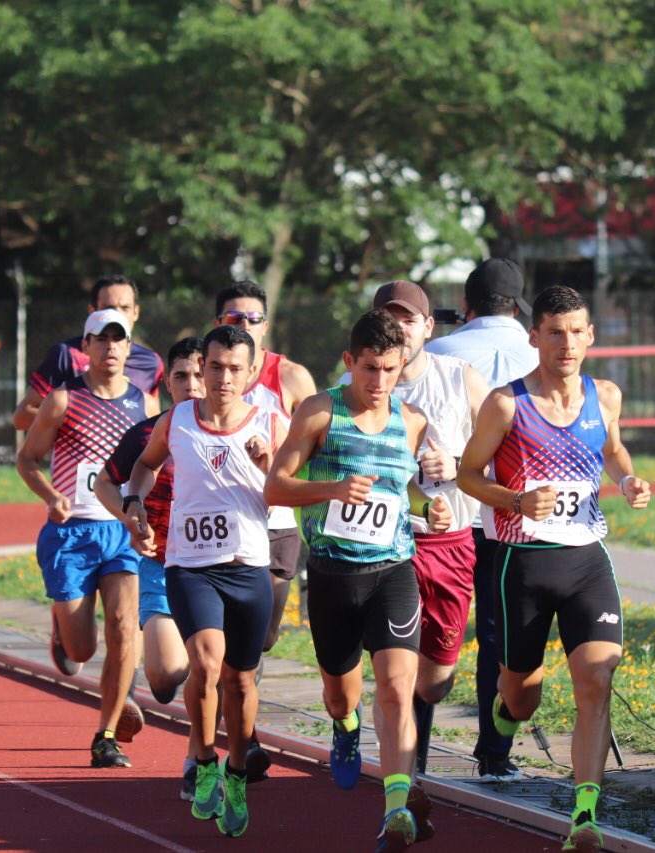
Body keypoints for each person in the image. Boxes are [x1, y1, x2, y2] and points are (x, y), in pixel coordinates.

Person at [458, 285, 651, 852]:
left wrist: (627, 480)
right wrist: (515, 502)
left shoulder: (605, 395)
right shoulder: (506, 403)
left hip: (586, 561)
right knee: (524, 695)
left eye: (577, 332)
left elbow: (612, 449)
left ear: (590, 336)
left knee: (597, 679)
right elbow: (469, 475)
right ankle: (506, 707)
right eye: (555, 332)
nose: (567, 343)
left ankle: (584, 817)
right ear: (534, 337)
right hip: (522, 564)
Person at [265, 310, 451, 852]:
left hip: (392, 571)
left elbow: (406, 489)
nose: (378, 382)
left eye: (390, 370)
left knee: (396, 689)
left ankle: (396, 810)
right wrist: (332, 490)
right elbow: (277, 487)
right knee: (338, 693)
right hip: (331, 576)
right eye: (369, 369)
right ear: (350, 363)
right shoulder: (321, 412)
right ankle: (345, 728)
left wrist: (430, 508)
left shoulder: (411, 420)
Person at [124, 325, 280, 838]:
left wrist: (270, 464)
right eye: (216, 367)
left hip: (248, 563)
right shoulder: (177, 420)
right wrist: (134, 502)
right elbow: (145, 468)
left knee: (239, 679)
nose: (224, 378)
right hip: (190, 564)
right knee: (206, 660)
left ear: (252, 371)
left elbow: (289, 491)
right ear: (203, 368)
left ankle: (236, 770)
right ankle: (203, 756)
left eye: (237, 368)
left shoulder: (270, 422)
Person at [344, 282, 490, 778]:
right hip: (384, 547)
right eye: (389, 318)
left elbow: (506, 455)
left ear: (429, 327)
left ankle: (404, 760)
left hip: (450, 545)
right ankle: (400, 781)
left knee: (434, 682)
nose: (399, 328)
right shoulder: (362, 384)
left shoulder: (460, 379)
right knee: (396, 674)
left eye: (409, 319)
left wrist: (458, 465)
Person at [17, 309, 155, 768]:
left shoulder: (144, 404)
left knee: (122, 627)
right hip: (71, 534)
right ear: (87, 347)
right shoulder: (61, 401)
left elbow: (151, 468)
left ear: (129, 347)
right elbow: (28, 460)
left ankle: (106, 734)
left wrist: (145, 511)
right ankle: (63, 625)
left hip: (119, 531)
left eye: (120, 340)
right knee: (83, 650)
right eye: (103, 339)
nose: (112, 348)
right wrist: (51, 495)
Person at [424, 258, 538, 781]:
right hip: (511, 515)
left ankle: (415, 752)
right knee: (501, 635)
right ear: (517, 308)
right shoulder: (541, 353)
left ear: (464, 307)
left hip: (443, 513)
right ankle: (495, 753)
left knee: (426, 635)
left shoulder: (437, 352)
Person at [213, 281, 316, 654]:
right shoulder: (204, 373)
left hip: (276, 522)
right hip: (221, 519)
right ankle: (222, 704)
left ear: (265, 326)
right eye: (233, 317)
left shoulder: (290, 377)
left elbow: (322, 441)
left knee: (262, 638)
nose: (243, 324)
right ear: (217, 322)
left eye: (252, 317)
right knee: (222, 634)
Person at [13, 274, 165, 430]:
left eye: (125, 308)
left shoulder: (150, 362)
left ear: (136, 312)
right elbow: (21, 417)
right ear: (92, 311)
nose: (117, 314)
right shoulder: (66, 355)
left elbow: (153, 423)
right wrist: (79, 422)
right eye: (109, 308)